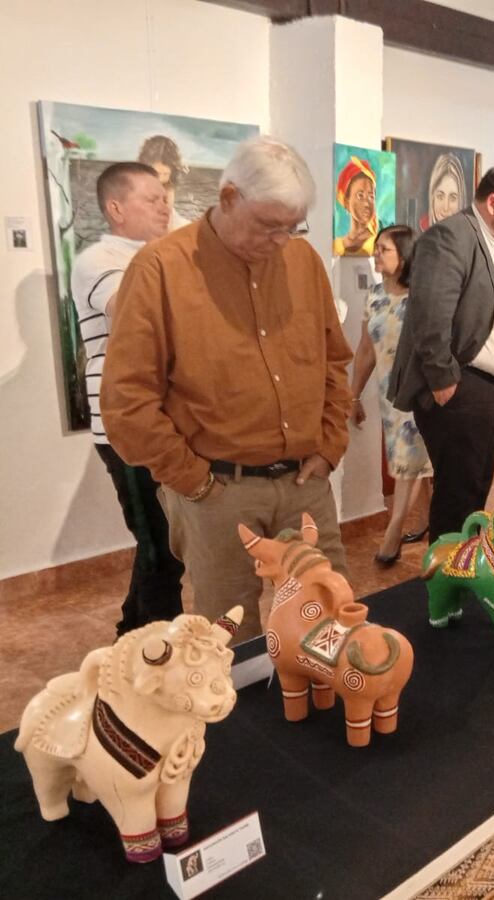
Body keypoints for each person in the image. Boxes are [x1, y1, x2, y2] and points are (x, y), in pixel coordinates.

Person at [101, 136, 353, 641]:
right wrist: (192, 480)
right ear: (229, 197)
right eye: (269, 225)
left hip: (306, 484)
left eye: (292, 226)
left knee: (327, 623)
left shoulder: (303, 262)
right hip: (217, 492)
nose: (282, 239)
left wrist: (329, 447)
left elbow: (333, 364)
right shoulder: (160, 269)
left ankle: (322, 714)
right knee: (231, 640)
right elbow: (127, 402)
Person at [390, 165, 494, 539]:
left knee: (473, 491)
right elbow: (430, 314)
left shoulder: (493, 243)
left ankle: (463, 574)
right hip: (460, 385)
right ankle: (447, 585)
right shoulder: (450, 236)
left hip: (484, 388)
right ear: (492, 202)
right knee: (458, 497)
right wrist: (442, 379)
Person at [72, 161, 183, 637]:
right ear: (116, 208)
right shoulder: (98, 259)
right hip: (124, 423)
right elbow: (136, 313)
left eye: (166, 197)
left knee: (163, 542)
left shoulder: (160, 251)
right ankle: (161, 649)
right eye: (152, 199)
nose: (165, 207)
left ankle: (132, 633)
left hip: (164, 419)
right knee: (159, 544)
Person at [349, 225, 432, 566]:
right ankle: (427, 523)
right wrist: (352, 395)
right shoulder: (375, 295)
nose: (376, 253)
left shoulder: (421, 297)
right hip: (389, 395)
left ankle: (393, 532)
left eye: (384, 249)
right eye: (377, 247)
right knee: (416, 463)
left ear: (404, 256)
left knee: (407, 463)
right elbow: (366, 349)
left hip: (418, 396)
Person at [138, 134, 191, 231]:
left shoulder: (169, 188)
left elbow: (168, 216)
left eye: (165, 174)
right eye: (157, 174)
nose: (161, 178)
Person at [334, 155, 378, 256]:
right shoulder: (336, 244)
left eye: (371, 197)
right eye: (360, 196)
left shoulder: (377, 243)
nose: (367, 203)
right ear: (346, 202)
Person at [420, 152, 466, 231]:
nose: (445, 207)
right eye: (440, 197)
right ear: (432, 197)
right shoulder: (419, 236)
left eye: (453, 198)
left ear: (461, 200)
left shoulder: (469, 238)